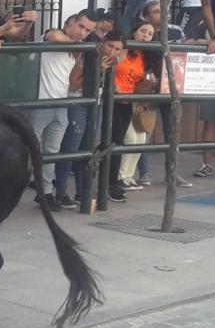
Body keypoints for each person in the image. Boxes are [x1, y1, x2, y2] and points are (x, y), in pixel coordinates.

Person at [34, 11, 96, 211]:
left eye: (88, 30)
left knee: (51, 152)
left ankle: (45, 193)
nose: (83, 33)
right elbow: (52, 36)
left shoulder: (76, 49)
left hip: (61, 104)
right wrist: (77, 45)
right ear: (71, 22)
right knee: (31, 150)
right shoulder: (56, 36)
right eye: (81, 26)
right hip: (40, 103)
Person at [63, 29, 126, 206]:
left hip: (96, 104)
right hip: (78, 104)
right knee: (71, 149)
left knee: (88, 149)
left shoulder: (113, 59)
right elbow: (74, 85)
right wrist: (98, 69)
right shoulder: (90, 54)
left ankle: (82, 192)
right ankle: (60, 191)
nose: (111, 51)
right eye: (110, 46)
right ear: (103, 42)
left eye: (117, 49)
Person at [109, 21, 159, 202]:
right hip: (113, 99)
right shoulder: (123, 50)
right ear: (134, 32)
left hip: (128, 101)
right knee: (118, 141)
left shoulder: (144, 57)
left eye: (150, 34)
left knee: (135, 139)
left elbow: (138, 86)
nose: (145, 36)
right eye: (142, 31)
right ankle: (114, 181)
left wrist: (147, 83)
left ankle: (123, 178)